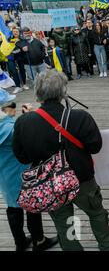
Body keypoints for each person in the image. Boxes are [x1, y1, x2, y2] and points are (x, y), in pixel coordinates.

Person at [12, 70, 109, 251]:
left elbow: (22, 157)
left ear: (37, 95)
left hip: (49, 184)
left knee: (64, 222)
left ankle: (72, 248)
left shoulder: (24, 122)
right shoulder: (80, 117)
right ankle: (107, 245)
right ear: (63, 92)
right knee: (96, 213)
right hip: (82, 179)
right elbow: (95, 147)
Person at [0, 91, 58, 251]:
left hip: (4, 176)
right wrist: (29, 117)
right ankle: (38, 241)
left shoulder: (5, 125)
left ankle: (20, 242)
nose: (14, 107)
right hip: (21, 173)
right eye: (11, 105)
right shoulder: (8, 128)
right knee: (32, 206)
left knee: (13, 209)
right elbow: (27, 136)